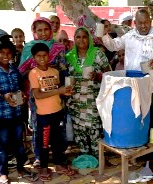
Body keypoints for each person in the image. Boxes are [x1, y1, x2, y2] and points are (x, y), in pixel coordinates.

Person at [102, 8, 153, 140]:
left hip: (150, 87)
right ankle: (135, 142)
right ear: (135, 22)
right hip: (132, 86)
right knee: (134, 116)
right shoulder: (129, 37)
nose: (143, 26)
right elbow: (113, 46)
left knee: (151, 118)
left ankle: (150, 147)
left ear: (150, 22)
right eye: (140, 23)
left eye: (146, 22)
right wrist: (104, 35)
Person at [0, 39, 37, 183]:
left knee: (19, 143)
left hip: (17, 114)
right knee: (3, 145)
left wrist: (22, 96)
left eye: (9, 53)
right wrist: (4, 96)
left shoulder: (15, 70)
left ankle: (21, 168)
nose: (6, 56)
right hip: (1, 115)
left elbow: (19, 89)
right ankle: (3, 173)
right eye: (2, 53)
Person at [18, 17, 66, 168]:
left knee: (57, 126)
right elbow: (21, 71)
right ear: (34, 31)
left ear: (51, 30)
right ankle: (40, 155)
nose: (43, 33)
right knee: (39, 125)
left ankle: (59, 155)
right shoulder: (29, 48)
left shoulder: (58, 47)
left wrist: (50, 71)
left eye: (46, 29)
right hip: (36, 92)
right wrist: (37, 70)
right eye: (39, 30)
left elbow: (63, 70)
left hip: (56, 90)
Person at [29, 42, 75, 181]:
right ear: (34, 58)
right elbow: (38, 95)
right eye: (39, 56)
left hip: (58, 111)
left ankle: (59, 164)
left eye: (44, 55)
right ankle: (44, 167)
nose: (42, 59)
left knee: (57, 141)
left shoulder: (55, 72)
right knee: (44, 143)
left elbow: (58, 92)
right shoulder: (34, 73)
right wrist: (58, 90)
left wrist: (65, 92)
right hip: (44, 115)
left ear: (49, 56)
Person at [66, 27, 111, 156]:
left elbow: (110, 74)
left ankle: (97, 156)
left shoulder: (98, 54)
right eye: (78, 37)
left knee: (94, 128)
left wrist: (97, 76)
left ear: (89, 39)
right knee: (79, 130)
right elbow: (64, 76)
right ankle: (84, 156)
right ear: (74, 39)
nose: (81, 40)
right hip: (76, 102)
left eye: (84, 37)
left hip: (93, 101)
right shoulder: (69, 56)